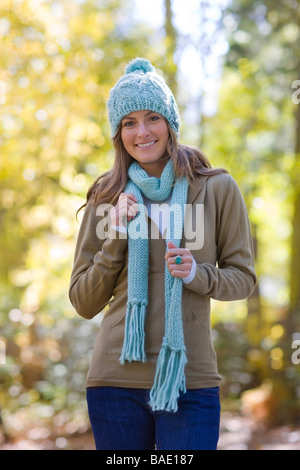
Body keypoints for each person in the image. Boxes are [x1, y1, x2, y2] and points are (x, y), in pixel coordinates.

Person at [69, 58, 257, 451]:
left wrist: (197, 275)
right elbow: (84, 301)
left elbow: (243, 278)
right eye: (128, 123)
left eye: (152, 117)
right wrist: (116, 235)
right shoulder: (106, 196)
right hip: (115, 384)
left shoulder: (217, 188)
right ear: (118, 134)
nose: (142, 132)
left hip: (190, 381)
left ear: (170, 122)